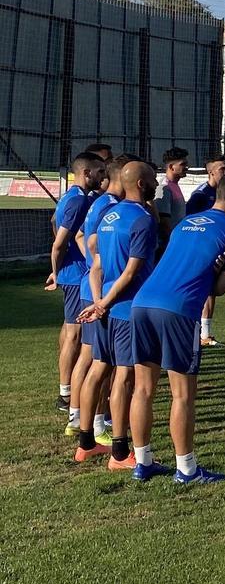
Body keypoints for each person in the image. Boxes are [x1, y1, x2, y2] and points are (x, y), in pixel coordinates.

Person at [127, 172, 225, 483]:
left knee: (143, 388)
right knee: (182, 395)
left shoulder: (186, 222)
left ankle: (143, 462)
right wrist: (219, 269)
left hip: (143, 303)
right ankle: (187, 469)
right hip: (178, 310)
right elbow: (220, 288)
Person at [75, 161, 158, 468]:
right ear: (139, 183)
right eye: (151, 178)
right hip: (124, 307)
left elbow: (96, 264)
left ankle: (86, 443)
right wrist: (105, 303)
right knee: (124, 376)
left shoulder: (110, 214)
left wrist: (97, 301)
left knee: (99, 367)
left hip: (105, 306)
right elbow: (131, 271)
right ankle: (120, 454)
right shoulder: (143, 219)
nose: (156, 182)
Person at [47, 152, 104, 428]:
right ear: (86, 173)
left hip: (71, 273)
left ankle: (68, 390)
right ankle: (66, 393)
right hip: (72, 277)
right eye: (99, 171)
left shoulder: (72, 196)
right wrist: (57, 273)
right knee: (75, 334)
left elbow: (53, 223)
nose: (102, 176)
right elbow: (59, 241)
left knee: (73, 333)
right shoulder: (79, 199)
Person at [185, 155, 225, 347]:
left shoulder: (221, 192)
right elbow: (191, 222)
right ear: (211, 172)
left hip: (216, 250)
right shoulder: (200, 195)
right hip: (201, 251)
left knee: (211, 291)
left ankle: (205, 333)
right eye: (222, 169)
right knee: (203, 290)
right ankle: (199, 333)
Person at [155, 147, 188, 246]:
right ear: (171, 167)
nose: (187, 167)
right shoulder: (164, 188)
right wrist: (174, 244)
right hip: (168, 245)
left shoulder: (174, 185)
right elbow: (164, 222)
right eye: (183, 164)